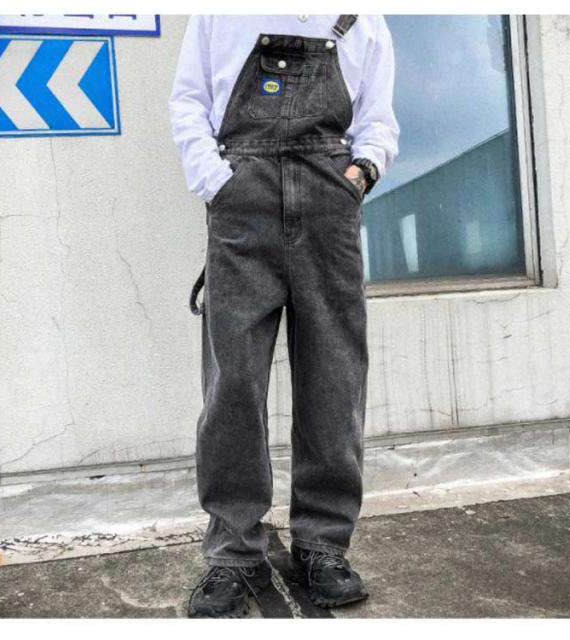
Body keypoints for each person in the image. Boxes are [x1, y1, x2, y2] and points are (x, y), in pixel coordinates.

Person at [169, 14, 399, 618]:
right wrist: (216, 181)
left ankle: (323, 545)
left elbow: (377, 117)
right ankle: (232, 552)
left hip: (329, 198)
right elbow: (188, 100)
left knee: (334, 380)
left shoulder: (362, 15)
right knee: (232, 388)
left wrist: (361, 172)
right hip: (240, 198)